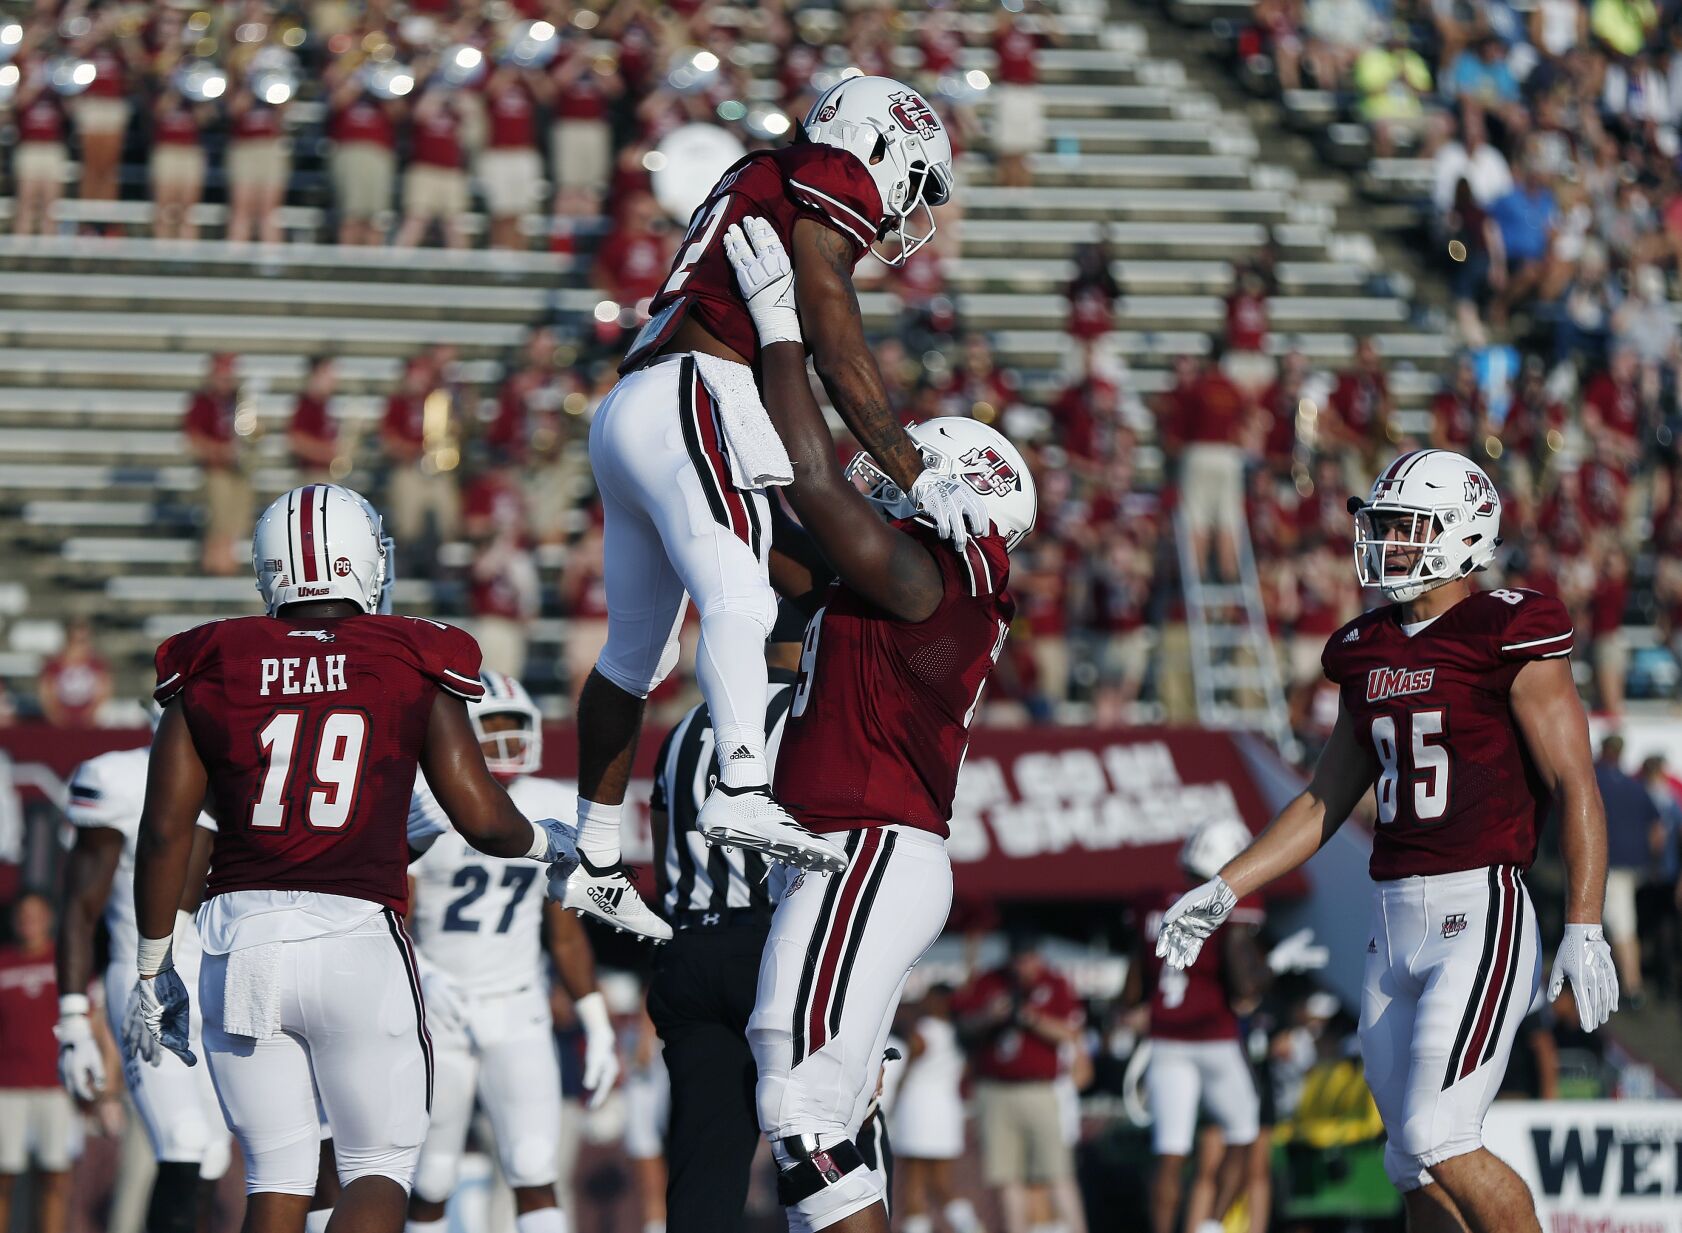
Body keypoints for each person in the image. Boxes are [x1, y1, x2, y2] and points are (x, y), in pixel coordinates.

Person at [565, 76, 987, 941]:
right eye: (915, 178)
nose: (908, 205)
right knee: (742, 599)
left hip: (638, 404)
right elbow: (836, 340)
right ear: (878, 145)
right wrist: (913, 470)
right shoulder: (831, 172)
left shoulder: (766, 176)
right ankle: (745, 790)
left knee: (635, 660)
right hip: (696, 386)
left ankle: (595, 857)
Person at [1156, 448, 1619, 1233]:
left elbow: (1577, 782)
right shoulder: (1366, 648)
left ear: (1462, 533)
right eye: (1387, 526)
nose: (1390, 543)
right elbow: (1323, 798)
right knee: (1408, 1157)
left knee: (1441, 1134)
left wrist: (1583, 921)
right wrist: (1227, 883)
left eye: (1407, 526)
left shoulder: (1508, 626)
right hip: (1390, 915)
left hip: (1480, 909)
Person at [128, 484, 579, 1233]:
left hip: (239, 943)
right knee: (380, 1168)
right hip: (353, 936)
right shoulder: (408, 650)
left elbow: (166, 830)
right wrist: (548, 845)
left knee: (275, 1178)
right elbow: (479, 812)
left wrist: (151, 966)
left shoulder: (211, 658)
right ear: (364, 560)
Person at [726, 216, 1036, 1233]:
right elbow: (774, 532)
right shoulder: (914, 582)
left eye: (907, 469)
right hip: (843, 844)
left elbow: (815, 480)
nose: (884, 473)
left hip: (864, 844)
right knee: (823, 1111)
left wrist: (783, 332)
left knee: (798, 1099)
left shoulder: (928, 581)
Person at [405, 673, 618, 1233]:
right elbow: (392, 915)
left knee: (532, 1164)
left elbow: (565, 929)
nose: (506, 741)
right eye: (491, 728)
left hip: (517, 1005)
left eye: (515, 726)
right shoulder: (427, 804)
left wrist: (595, 1019)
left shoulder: (549, 803)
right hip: (437, 1009)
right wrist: (422, 976)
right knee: (430, 1175)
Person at [645, 607, 805, 1233]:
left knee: (703, 1166)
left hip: (690, 946)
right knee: (829, 1135)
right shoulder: (804, 713)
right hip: (769, 947)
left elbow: (661, 846)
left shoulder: (685, 726)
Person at [56, 733, 230, 1233]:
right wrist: (72, 1020)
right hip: (146, 981)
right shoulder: (120, 778)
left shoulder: (252, 773)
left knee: (218, 1151)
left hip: (224, 981)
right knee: (185, 1138)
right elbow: (80, 905)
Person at [1128, 819, 1267, 1233]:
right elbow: (1244, 987)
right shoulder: (1228, 904)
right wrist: (1268, 970)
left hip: (1165, 1041)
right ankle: (1210, 1226)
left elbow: (1131, 987)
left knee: (1170, 1153)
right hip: (1215, 1039)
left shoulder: (1152, 904)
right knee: (1243, 1137)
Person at [953, 934, 1086, 1233]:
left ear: (1038, 957)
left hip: (1039, 1090)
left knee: (1056, 1172)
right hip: (994, 1090)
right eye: (1018, 958)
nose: (1022, 966)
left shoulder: (1055, 983)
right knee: (1005, 1176)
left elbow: (1070, 1033)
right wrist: (991, 1015)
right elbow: (963, 1027)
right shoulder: (991, 981)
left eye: (1028, 958)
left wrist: (1028, 1017)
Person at [0, 894, 75, 1233]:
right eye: (23, 915)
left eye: (36, 914)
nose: (29, 921)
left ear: (49, 918)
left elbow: (92, 1020)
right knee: (4, 1176)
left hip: (56, 1086)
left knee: (56, 1176)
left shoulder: (66, 961)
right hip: (7, 1087)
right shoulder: (3, 963)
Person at [888, 985, 981, 1233]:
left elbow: (909, 1067)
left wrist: (895, 1099)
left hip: (918, 1109)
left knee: (915, 1182)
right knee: (940, 1182)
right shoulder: (958, 1034)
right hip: (947, 1110)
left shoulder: (923, 1032)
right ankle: (969, 1226)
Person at [1593, 734, 1659, 1006]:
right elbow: (1657, 830)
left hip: (1610, 864)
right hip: (1635, 864)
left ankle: (1632, 986)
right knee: (1620, 923)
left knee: (1620, 927)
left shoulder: (1596, 781)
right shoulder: (1634, 785)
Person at [182, 352, 251, 576]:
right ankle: (215, 568)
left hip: (238, 469)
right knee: (219, 522)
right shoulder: (203, 401)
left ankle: (227, 567)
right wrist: (219, 450)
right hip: (215, 469)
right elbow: (192, 438)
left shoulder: (239, 401)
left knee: (236, 522)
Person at [37, 619, 112, 728]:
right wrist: (56, 714)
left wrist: (90, 714)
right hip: (59, 724)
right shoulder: (54, 664)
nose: (79, 645)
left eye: (83, 640)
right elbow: (46, 692)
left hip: (89, 724)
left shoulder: (97, 664)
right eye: (75, 640)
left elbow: (104, 691)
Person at [290, 356, 340, 483]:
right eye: (327, 374)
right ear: (315, 375)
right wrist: (327, 454)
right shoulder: (307, 404)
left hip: (327, 473)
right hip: (313, 475)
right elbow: (297, 441)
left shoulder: (326, 405)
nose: (333, 379)